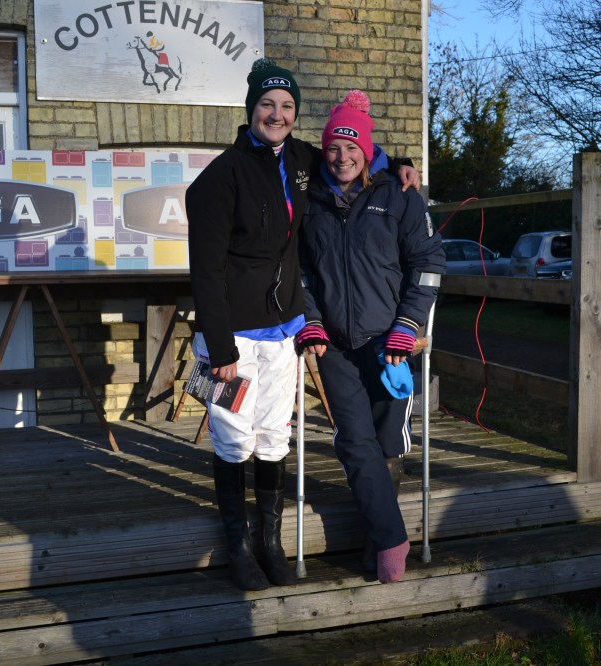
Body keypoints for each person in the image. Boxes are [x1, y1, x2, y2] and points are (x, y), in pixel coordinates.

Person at [185, 60, 420, 592]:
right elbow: (205, 270)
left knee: (273, 437)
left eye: (287, 107)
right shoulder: (219, 178)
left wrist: (401, 164)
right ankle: (238, 546)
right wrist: (218, 344)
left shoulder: (299, 160)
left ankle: (270, 542)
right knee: (232, 438)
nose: (278, 114)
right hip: (232, 338)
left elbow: (355, 157)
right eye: (268, 104)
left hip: (285, 332)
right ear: (250, 110)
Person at [296, 90, 446, 584]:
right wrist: (311, 319)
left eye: (351, 147)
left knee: (386, 438)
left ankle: (374, 533)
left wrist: (408, 326)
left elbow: (428, 262)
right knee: (354, 441)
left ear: (366, 149)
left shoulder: (398, 195)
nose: (341, 157)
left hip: (388, 341)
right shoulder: (309, 199)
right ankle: (389, 540)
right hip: (334, 342)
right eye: (333, 148)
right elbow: (299, 271)